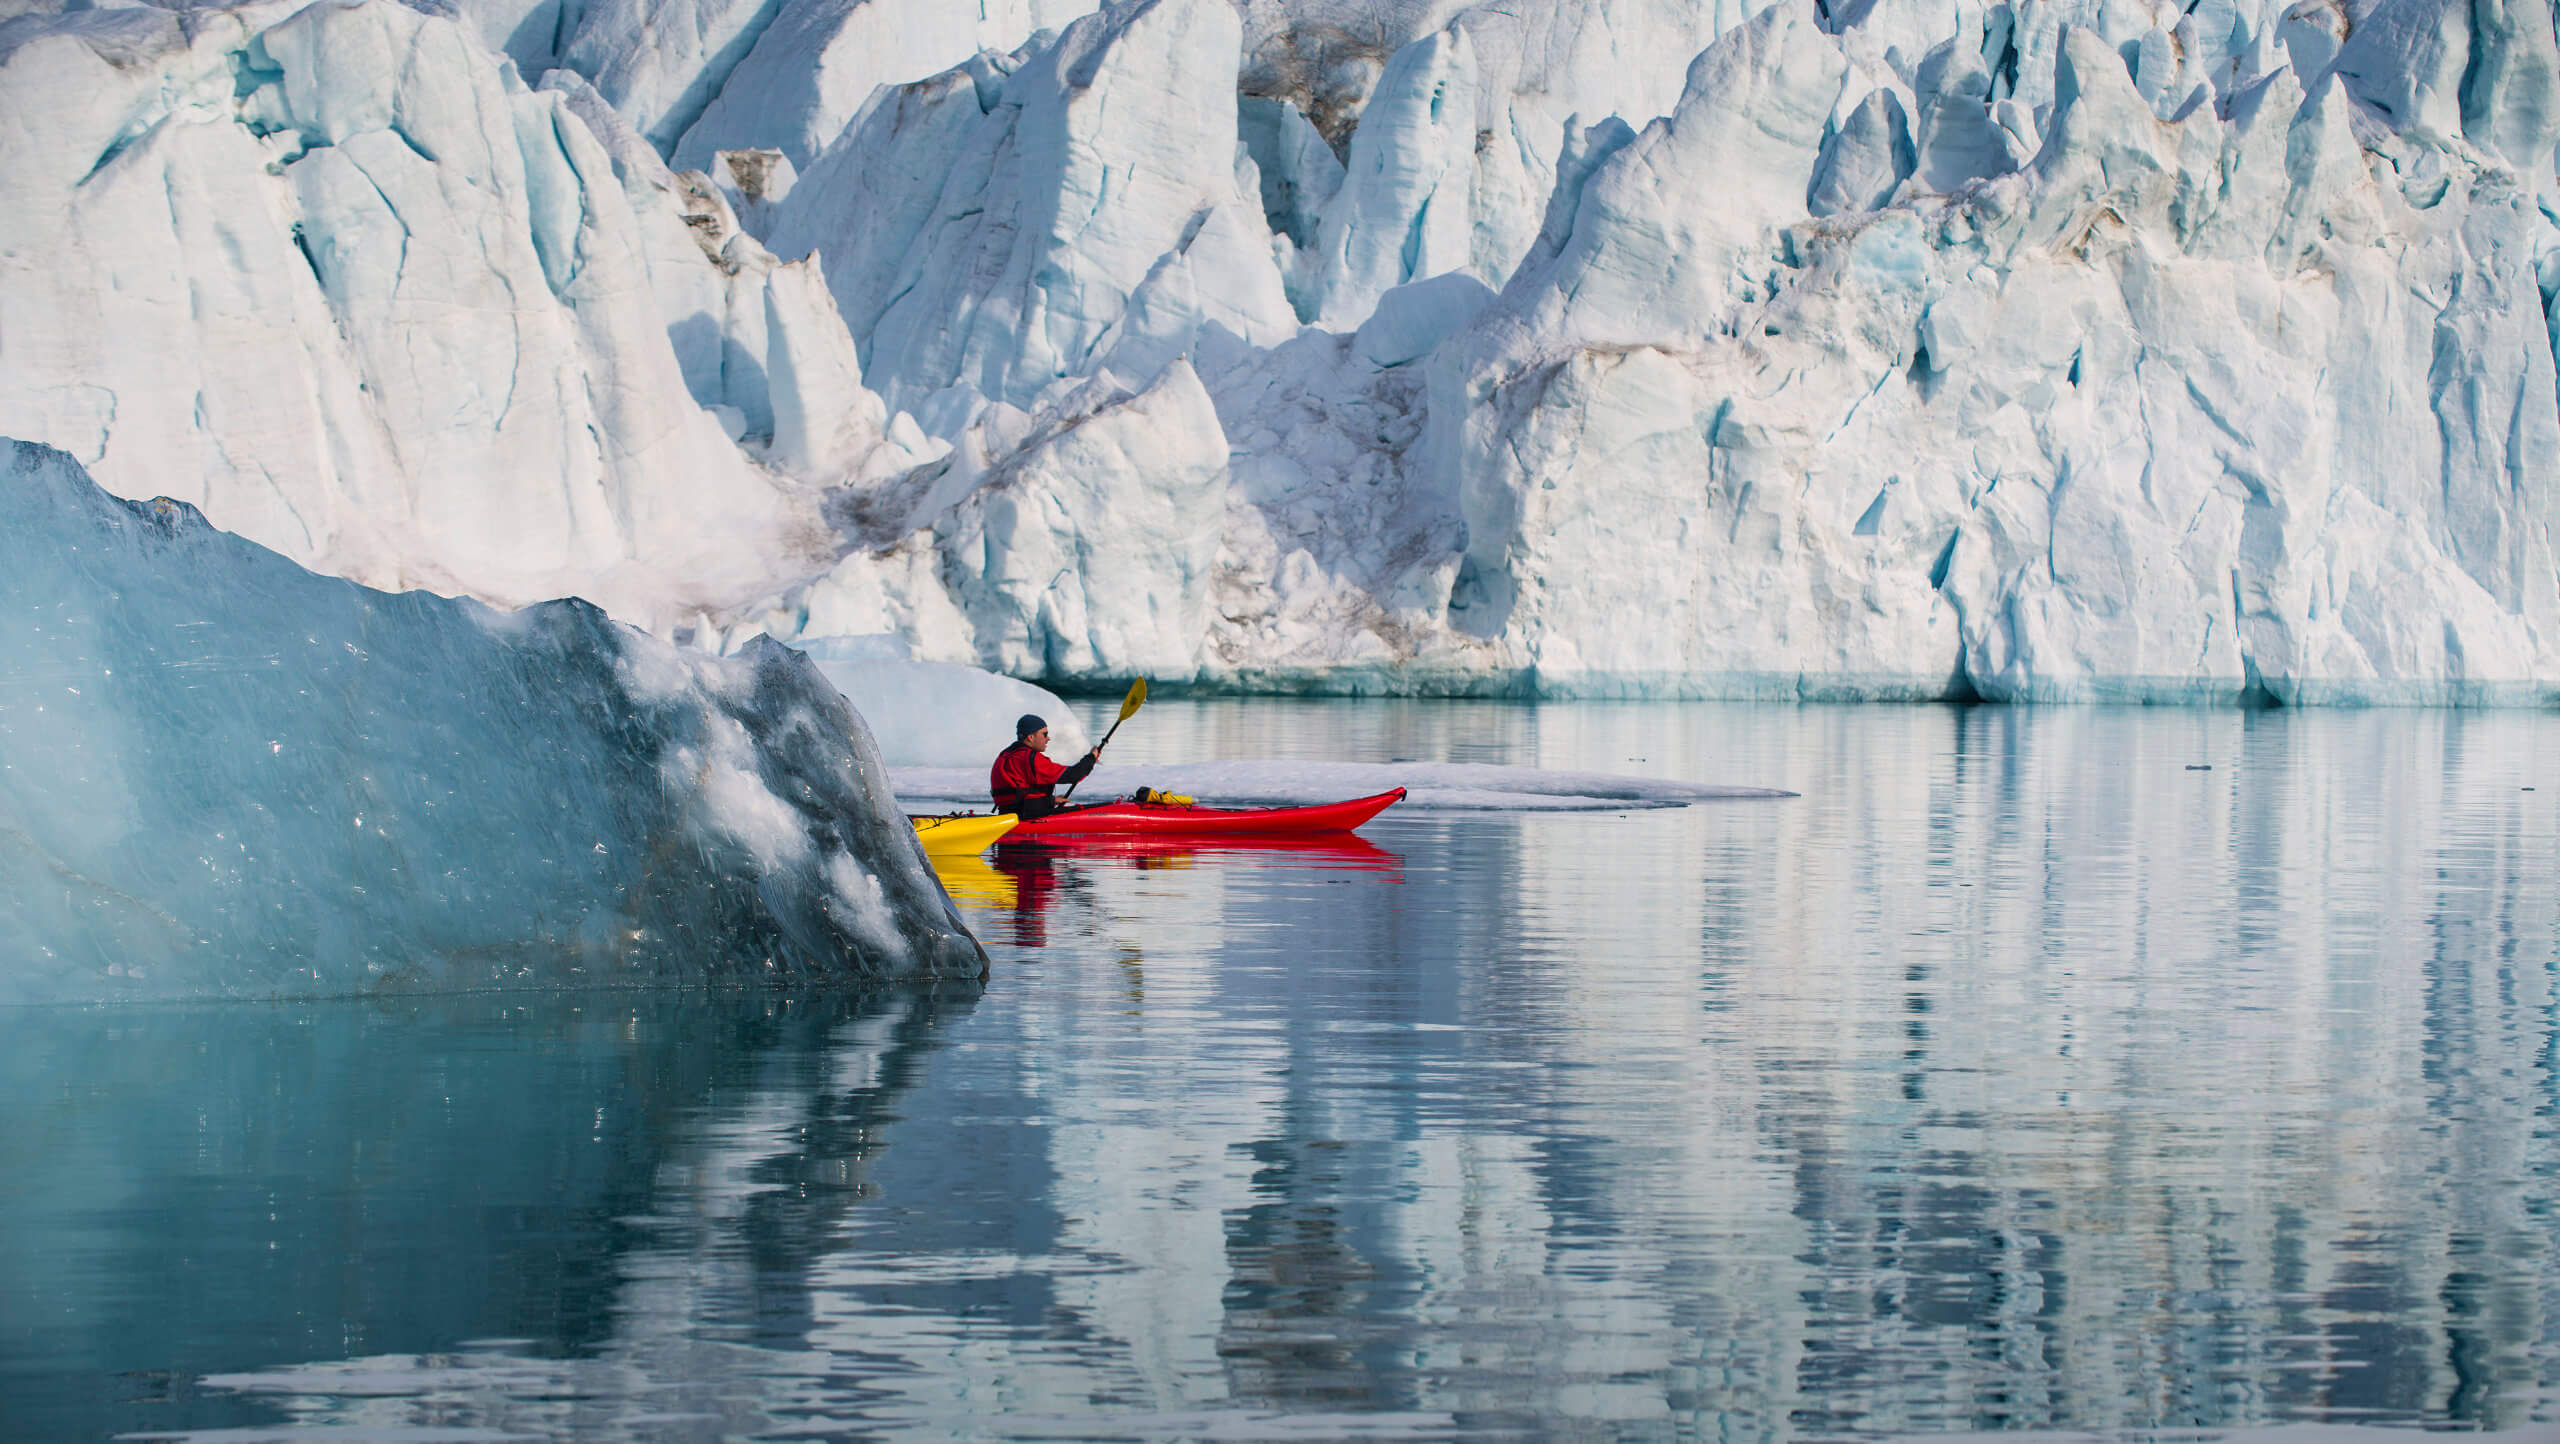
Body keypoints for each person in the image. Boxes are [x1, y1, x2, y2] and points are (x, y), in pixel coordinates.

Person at [990, 713, 1102, 817]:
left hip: (1010, 812)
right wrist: (1091, 758)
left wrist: (1051, 801)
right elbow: (1073, 775)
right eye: (1045, 734)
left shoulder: (1006, 754)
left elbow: (1020, 790)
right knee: (1100, 809)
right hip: (1029, 815)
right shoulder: (1030, 758)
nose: (1048, 738)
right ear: (1031, 737)